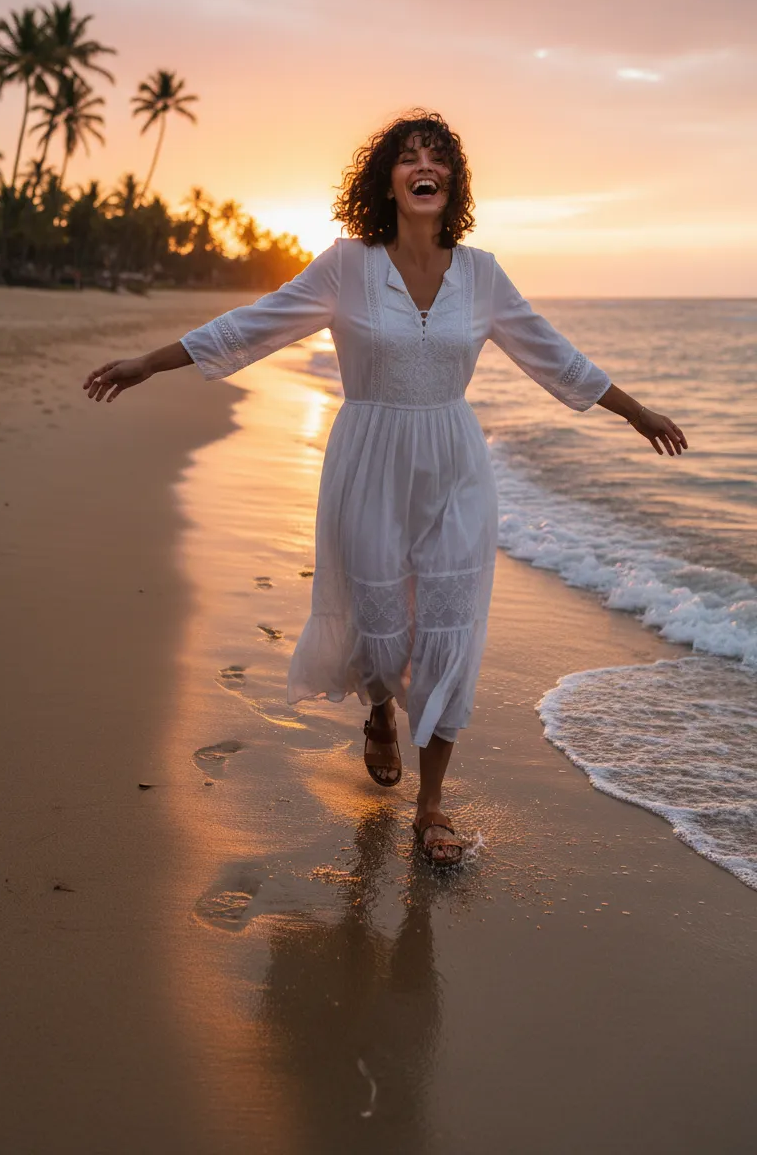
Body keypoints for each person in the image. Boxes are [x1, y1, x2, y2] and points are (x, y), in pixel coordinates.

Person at [84, 111, 687, 866]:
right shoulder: (347, 266)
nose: (423, 165)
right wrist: (152, 361)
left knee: (448, 632)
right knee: (378, 632)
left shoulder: (484, 274)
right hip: (367, 461)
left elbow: (552, 355)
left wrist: (634, 411)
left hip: (455, 465)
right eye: (408, 157)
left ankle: (431, 806)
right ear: (389, 181)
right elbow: (256, 324)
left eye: (436, 156)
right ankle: (377, 710)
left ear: (452, 182)